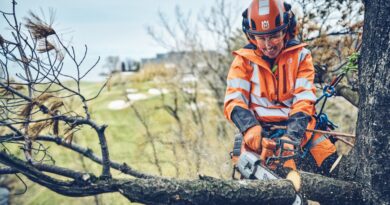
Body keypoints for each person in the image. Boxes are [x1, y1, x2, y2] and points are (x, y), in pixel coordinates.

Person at [224, 0, 338, 176]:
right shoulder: (243, 61)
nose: (268, 44)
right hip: (261, 132)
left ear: (285, 30)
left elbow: (304, 99)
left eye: (274, 36)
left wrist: (292, 137)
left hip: (299, 128)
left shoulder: (301, 56)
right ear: (251, 36)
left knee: (329, 159)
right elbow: (234, 100)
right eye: (262, 38)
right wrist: (249, 128)